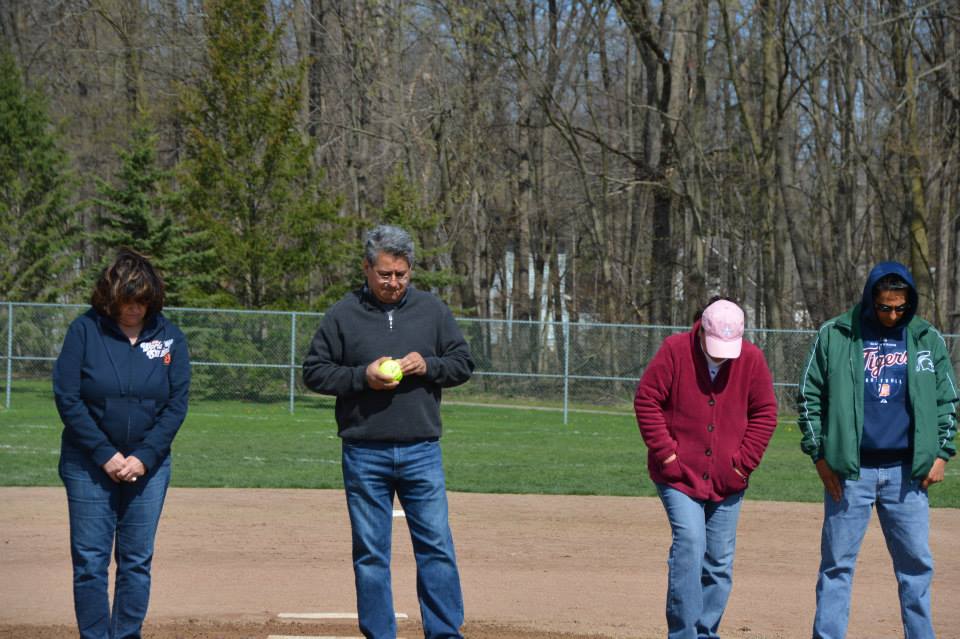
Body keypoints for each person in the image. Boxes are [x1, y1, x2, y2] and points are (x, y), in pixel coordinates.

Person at [302, 224, 474, 639]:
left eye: (401, 274)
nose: (393, 283)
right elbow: (314, 372)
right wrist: (363, 376)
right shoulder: (342, 313)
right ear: (366, 268)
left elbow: (463, 363)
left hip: (422, 449)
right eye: (384, 274)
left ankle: (445, 633)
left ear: (410, 270)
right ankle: (380, 634)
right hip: (364, 451)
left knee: (435, 547)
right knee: (371, 553)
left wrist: (427, 365)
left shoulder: (433, 311)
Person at [798, 261, 958, 639]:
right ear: (871, 299)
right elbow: (808, 398)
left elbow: (946, 400)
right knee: (837, 566)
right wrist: (820, 456)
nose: (892, 314)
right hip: (849, 473)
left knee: (916, 566)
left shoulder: (925, 337)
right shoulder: (836, 334)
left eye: (900, 307)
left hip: (907, 473)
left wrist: (942, 454)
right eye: (885, 306)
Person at [53, 249, 191, 639]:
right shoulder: (84, 331)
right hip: (88, 464)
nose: (135, 309)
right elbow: (68, 397)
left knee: (135, 561)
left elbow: (176, 405)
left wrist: (143, 458)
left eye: (143, 301)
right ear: (110, 298)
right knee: (90, 562)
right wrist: (106, 455)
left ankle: (127, 634)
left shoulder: (169, 337)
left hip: (148, 468)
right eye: (127, 302)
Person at [634, 298, 778, 639]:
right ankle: (683, 634)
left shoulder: (752, 359)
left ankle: (705, 632)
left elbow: (765, 414)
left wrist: (742, 467)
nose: (719, 355)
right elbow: (647, 399)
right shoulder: (674, 350)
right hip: (678, 475)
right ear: (701, 330)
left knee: (719, 562)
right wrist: (668, 455)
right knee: (690, 543)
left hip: (729, 480)